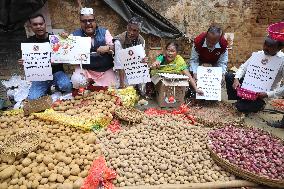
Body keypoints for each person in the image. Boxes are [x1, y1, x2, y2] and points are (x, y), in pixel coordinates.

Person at [18, 14, 72, 100]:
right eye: (35, 24)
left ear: (45, 24)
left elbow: (68, 52)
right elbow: (28, 62)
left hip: (57, 72)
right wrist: (23, 62)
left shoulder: (55, 39)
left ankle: (57, 87)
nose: (39, 26)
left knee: (66, 86)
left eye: (41, 24)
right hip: (40, 76)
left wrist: (67, 39)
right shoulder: (28, 43)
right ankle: (47, 89)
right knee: (33, 98)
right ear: (31, 27)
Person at [225, 35, 284, 113]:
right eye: (265, 44)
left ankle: (258, 105)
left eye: (270, 46)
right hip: (248, 88)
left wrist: (268, 94)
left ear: (279, 48)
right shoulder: (258, 54)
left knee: (238, 108)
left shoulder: (282, 61)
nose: (265, 48)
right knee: (229, 76)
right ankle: (241, 99)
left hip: (262, 96)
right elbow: (243, 68)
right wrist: (236, 79)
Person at [71, 8, 116, 88]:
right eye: (84, 21)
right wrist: (63, 39)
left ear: (95, 21)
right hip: (85, 69)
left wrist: (108, 48)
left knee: (113, 87)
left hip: (104, 69)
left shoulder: (104, 32)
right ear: (80, 23)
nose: (88, 23)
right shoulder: (75, 35)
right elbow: (66, 50)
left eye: (90, 20)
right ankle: (86, 86)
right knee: (76, 80)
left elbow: (115, 47)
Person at [113, 16, 146, 89]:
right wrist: (122, 85)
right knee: (119, 86)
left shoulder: (141, 41)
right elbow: (119, 64)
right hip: (120, 70)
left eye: (135, 30)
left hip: (132, 68)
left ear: (139, 31)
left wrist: (142, 60)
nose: (131, 33)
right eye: (129, 29)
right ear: (127, 27)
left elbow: (140, 58)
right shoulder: (119, 41)